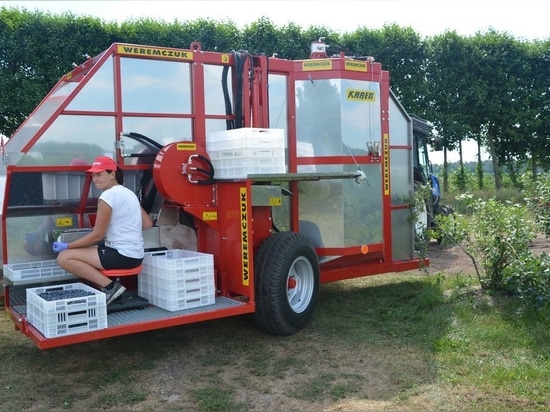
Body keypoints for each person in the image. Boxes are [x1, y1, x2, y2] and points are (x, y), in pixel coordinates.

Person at [52, 155, 153, 304]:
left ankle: (110, 287)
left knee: (64, 257)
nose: (95, 179)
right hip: (136, 255)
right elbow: (148, 224)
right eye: (93, 175)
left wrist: (67, 246)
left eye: (99, 174)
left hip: (122, 255)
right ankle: (106, 289)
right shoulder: (129, 193)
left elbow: (97, 236)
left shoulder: (108, 196)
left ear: (112, 174)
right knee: (89, 250)